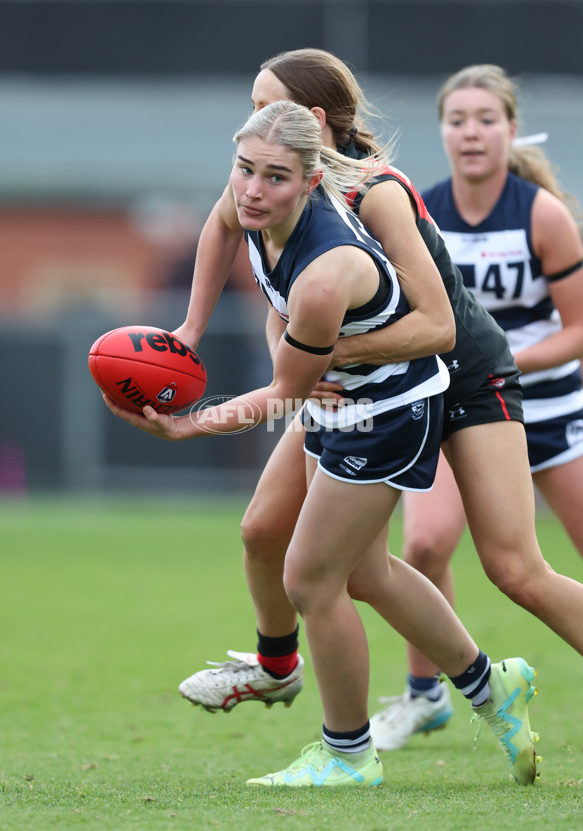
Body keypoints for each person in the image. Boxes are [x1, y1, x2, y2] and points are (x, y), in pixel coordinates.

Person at [104, 100, 539, 787]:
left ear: (310, 182)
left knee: (310, 576)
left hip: (388, 410)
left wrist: (190, 423)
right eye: (244, 169)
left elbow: (284, 391)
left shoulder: (325, 271)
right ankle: (492, 687)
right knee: (364, 573)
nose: (251, 189)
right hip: (341, 395)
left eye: (274, 177)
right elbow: (224, 231)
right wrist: (187, 327)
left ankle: (348, 754)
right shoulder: (250, 203)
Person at [176, 51, 583, 753]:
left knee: (514, 569)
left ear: (311, 120)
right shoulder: (269, 175)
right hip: (370, 383)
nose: (251, 124)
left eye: (262, 105)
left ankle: (401, 714)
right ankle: (286, 668)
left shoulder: (373, 191)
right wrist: (193, 330)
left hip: (456, 374)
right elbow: (237, 239)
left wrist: (318, 358)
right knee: (272, 533)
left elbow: (437, 326)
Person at [369, 64, 583, 751]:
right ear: (442, 132)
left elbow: (579, 328)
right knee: (425, 542)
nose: (470, 132)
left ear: (510, 130)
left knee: (537, 570)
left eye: (485, 119)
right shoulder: (415, 208)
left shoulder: (540, 213)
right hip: (463, 404)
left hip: (548, 404)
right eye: (457, 119)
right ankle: (424, 694)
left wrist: (507, 360)